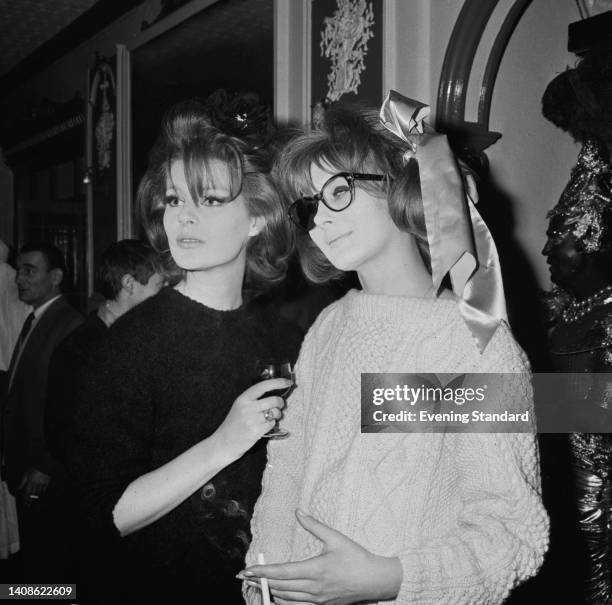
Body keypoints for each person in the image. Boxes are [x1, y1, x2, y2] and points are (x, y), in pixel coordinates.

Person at [241, 92, 549, 604]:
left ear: (403, 184)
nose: (319, 220)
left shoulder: (473, 341)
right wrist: (265, 579)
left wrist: (387, 579)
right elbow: (287, 472)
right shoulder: (328, 327)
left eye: (338, 191)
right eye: (310, 205)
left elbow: (510, 534)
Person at [69, 100, 302, 603]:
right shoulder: (130, 345)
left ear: (259, 217)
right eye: (174, 200)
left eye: (211, 200)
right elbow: (100, 515)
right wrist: (224, 443)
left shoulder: (288, 340)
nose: (184, 218)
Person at [541, 42, 612, 603]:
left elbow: (573, 409)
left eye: (565, 226)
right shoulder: (570, 316)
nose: (548, 242)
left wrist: (405, 405)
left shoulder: (605, 322)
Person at [0, 241, 83, 580]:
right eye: (19, 269)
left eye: (30, 270)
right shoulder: (37, 318)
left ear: (56, 276)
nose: (19, 278)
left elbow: (72, 405)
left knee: (50, 565)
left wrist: (45, 465)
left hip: (45, 471)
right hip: (26, 464)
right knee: (35, 559)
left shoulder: (68, 324)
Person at [46, 238, 165, 465]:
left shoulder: (144, 338)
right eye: (159, 287)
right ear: (129, 283)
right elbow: (61, 434)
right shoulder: (78, 349)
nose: (164, 298)